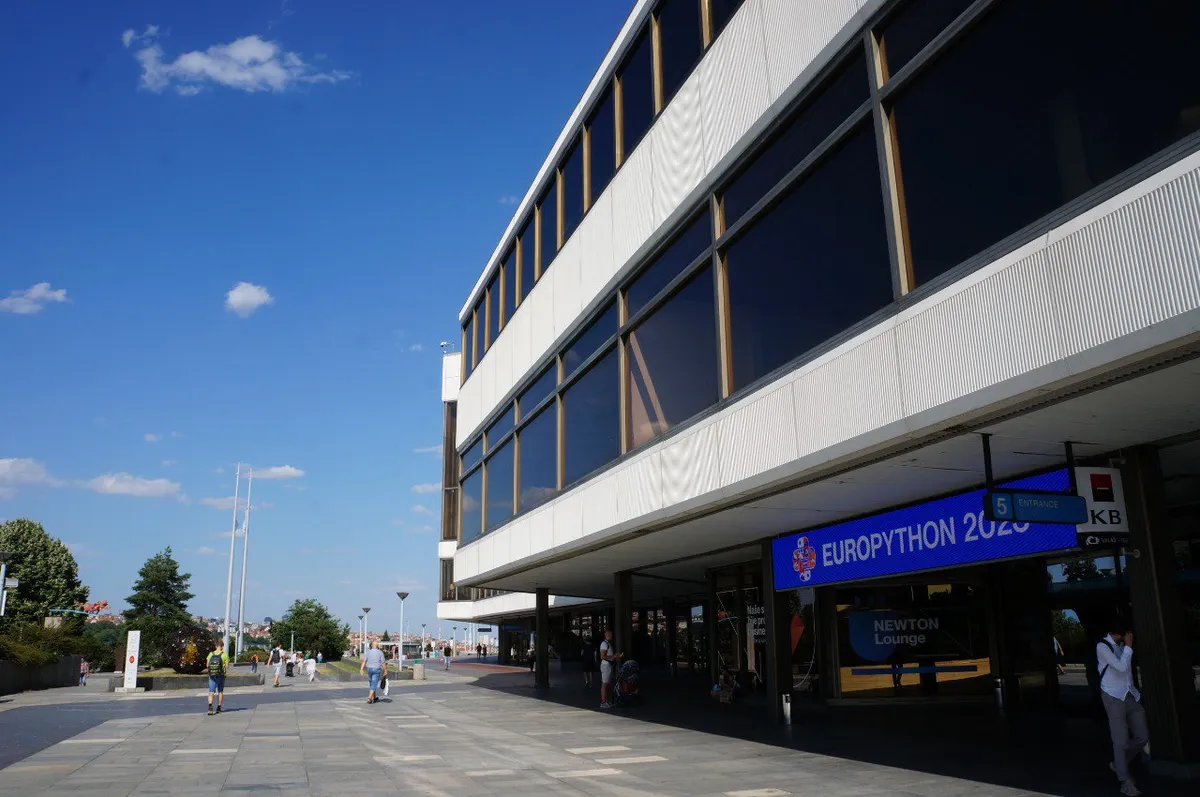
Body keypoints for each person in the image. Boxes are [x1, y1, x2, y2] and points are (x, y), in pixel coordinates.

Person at [1097, 621, 1148, 797]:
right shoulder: (1102, 646)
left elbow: (1126, 674)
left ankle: (1120, 764)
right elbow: (1121, 667)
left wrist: (1136, 694)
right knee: (1121, 741)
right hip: (1112, 696)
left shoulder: (1119, 646)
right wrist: (1128, 647)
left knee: (1142, 737)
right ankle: (1124, 781)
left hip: (1129, 695)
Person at [205, 639, 230, 715]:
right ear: (222, 646)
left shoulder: (210, 654)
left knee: (211, 691)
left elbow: (207, 665)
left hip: (212, 675)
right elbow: (227, 666)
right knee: (220, 691)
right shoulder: (225, 654)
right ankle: (218, 708)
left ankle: (210, 706)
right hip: (221, 675)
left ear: (216, 646)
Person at [599, 630, 622, 709]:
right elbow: (602, 656)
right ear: (606, 635)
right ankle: (603, 702)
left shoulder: (607, 643)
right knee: (604, 684)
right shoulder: (604, 644)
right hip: (606, 666)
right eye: (609, 634)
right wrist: (613, 657)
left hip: (608, 666)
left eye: (611, 634)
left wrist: (614, 656)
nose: (611, 636)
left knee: (606, 683)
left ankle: (605, 701)